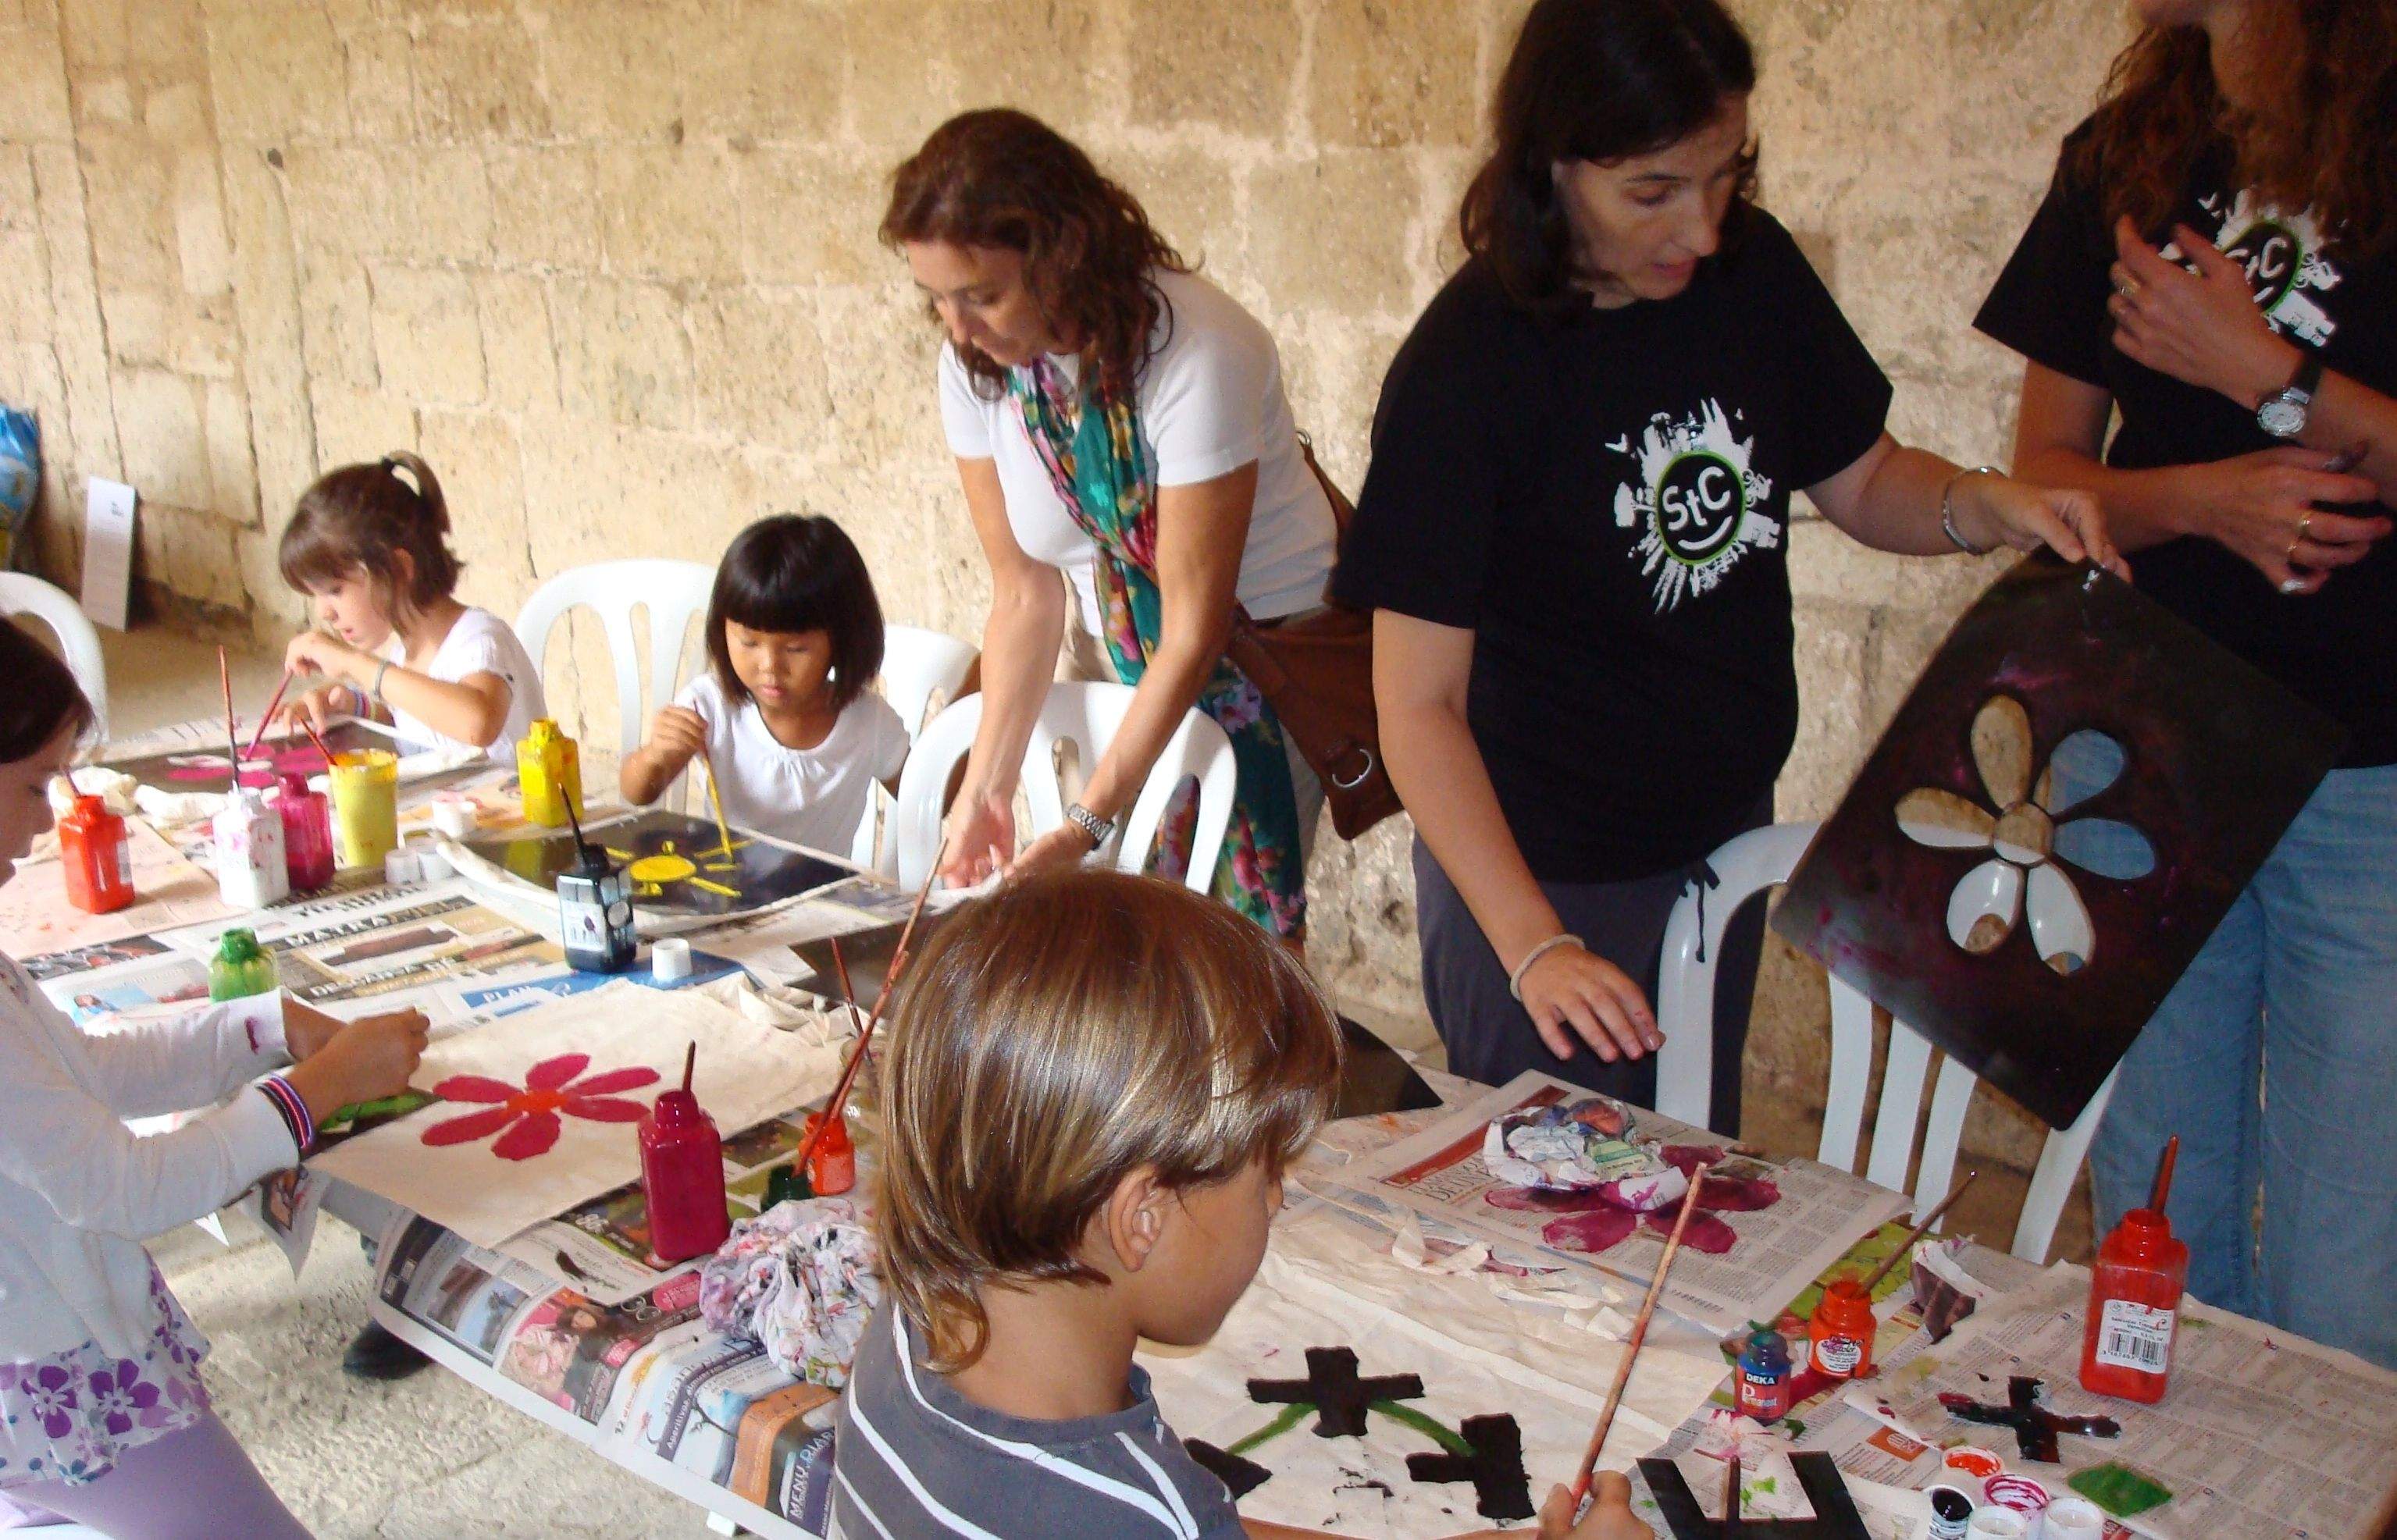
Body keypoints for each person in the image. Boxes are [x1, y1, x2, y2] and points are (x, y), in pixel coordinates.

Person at [1332, 0, 2121, 1126]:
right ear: (1549, 166)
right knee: (1551, 1220)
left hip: (1719, 841)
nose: (1697, 231)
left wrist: (1981, 506)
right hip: (1542, 867)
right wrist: (1533, 944)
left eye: (1721, 177)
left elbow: (1862, 477)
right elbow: (1415, 706)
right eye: (1650, 193)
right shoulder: (1469, 369)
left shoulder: (1750, 277)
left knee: (1690, 1181)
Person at [1975, 0, 2397, 1368]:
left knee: (2347, 1256)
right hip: (2154, 756)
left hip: (2376, 780)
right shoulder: (2126, 156)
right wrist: (2206, 500)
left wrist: (2272, 378)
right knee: (2160, 1219)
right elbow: (2048, 469)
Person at [833, 866, 1651, 1540]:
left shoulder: (914, 1329)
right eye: (1264, 1172)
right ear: (1141, 1216)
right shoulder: (1130, 1513)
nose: (1278, 1194)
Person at [0, 622, 429, 1538]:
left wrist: (263, 1026)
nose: (47, 818)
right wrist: (314, 1088)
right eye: (34, 784)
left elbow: (89, 1069)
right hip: (48, 1380)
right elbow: (124, 1184)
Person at [882, 109, 1339, 941]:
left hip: (1258, 664)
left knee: (1222, 951)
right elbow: (1024, 592)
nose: (958, 330)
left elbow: (1195, 625)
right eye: (938, 299)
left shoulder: (1196, 349)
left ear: (1062, 253)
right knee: (1127, 942)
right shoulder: (980, 365)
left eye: (983, 295)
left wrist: (1087, 822)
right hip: (1125, 656)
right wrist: (985, 792)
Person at [619, 514, 910, 853]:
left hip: (823, 900)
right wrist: (655, 755)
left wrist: (970, 703)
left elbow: (931, 795)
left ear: (844, 640)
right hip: (728, 892)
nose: (770, 666)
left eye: (795, 648)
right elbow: (637, 793)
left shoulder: (868, 722)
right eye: (748, 643)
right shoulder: (711, 705)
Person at [272, 452, 546, 764]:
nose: (325, 612)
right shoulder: (405, 655)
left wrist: (352, 662)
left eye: (335, 591)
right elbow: (424, 729)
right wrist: (351, 705)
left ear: (399, 569)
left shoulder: (480, 639)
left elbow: (477, 724)